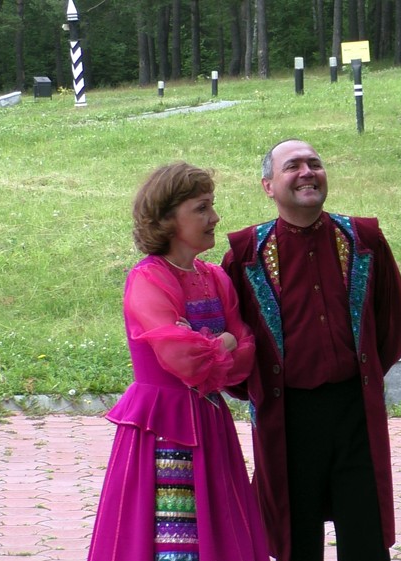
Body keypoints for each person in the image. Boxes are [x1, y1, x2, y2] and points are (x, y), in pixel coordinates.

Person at [221, 138, 401, 561]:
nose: (307, 172)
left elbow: (395, 323)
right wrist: (257, 390)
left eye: (315, 163)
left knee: (365, 537)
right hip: (286, 415)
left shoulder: (363, 240)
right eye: (293, 166)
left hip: (355, 411)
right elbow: (232, 339)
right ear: (268, 186)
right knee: (295, 539)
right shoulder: (246, 254)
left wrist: (365, 373)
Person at [87, 162, 269, 561]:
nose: (214, 217)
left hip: (209, 422)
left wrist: (212, 344)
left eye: (212, 205)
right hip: (163, 426)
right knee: (170, 535)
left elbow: (246, 352)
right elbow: (186, 360)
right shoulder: (149, 278)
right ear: (167, 219)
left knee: (216, 529)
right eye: (201, 208)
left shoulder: (215, 277)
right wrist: (222, 343)